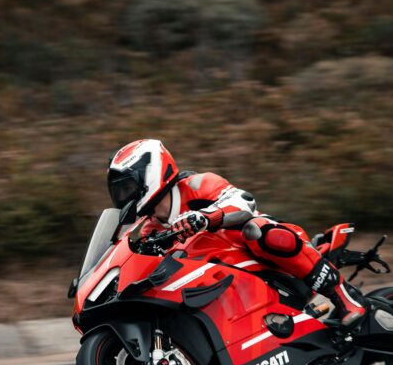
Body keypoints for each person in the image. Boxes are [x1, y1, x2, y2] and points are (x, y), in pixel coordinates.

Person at [106, 138, 367, 328]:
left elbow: (245, 202)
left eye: (127, 187)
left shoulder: (196, 185)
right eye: (119, 191)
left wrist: (206, 217)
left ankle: (343, 297)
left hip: (254, 253)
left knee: (260, 231)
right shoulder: (150, 230)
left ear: (150, 174)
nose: (123, 197)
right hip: (222, 284)